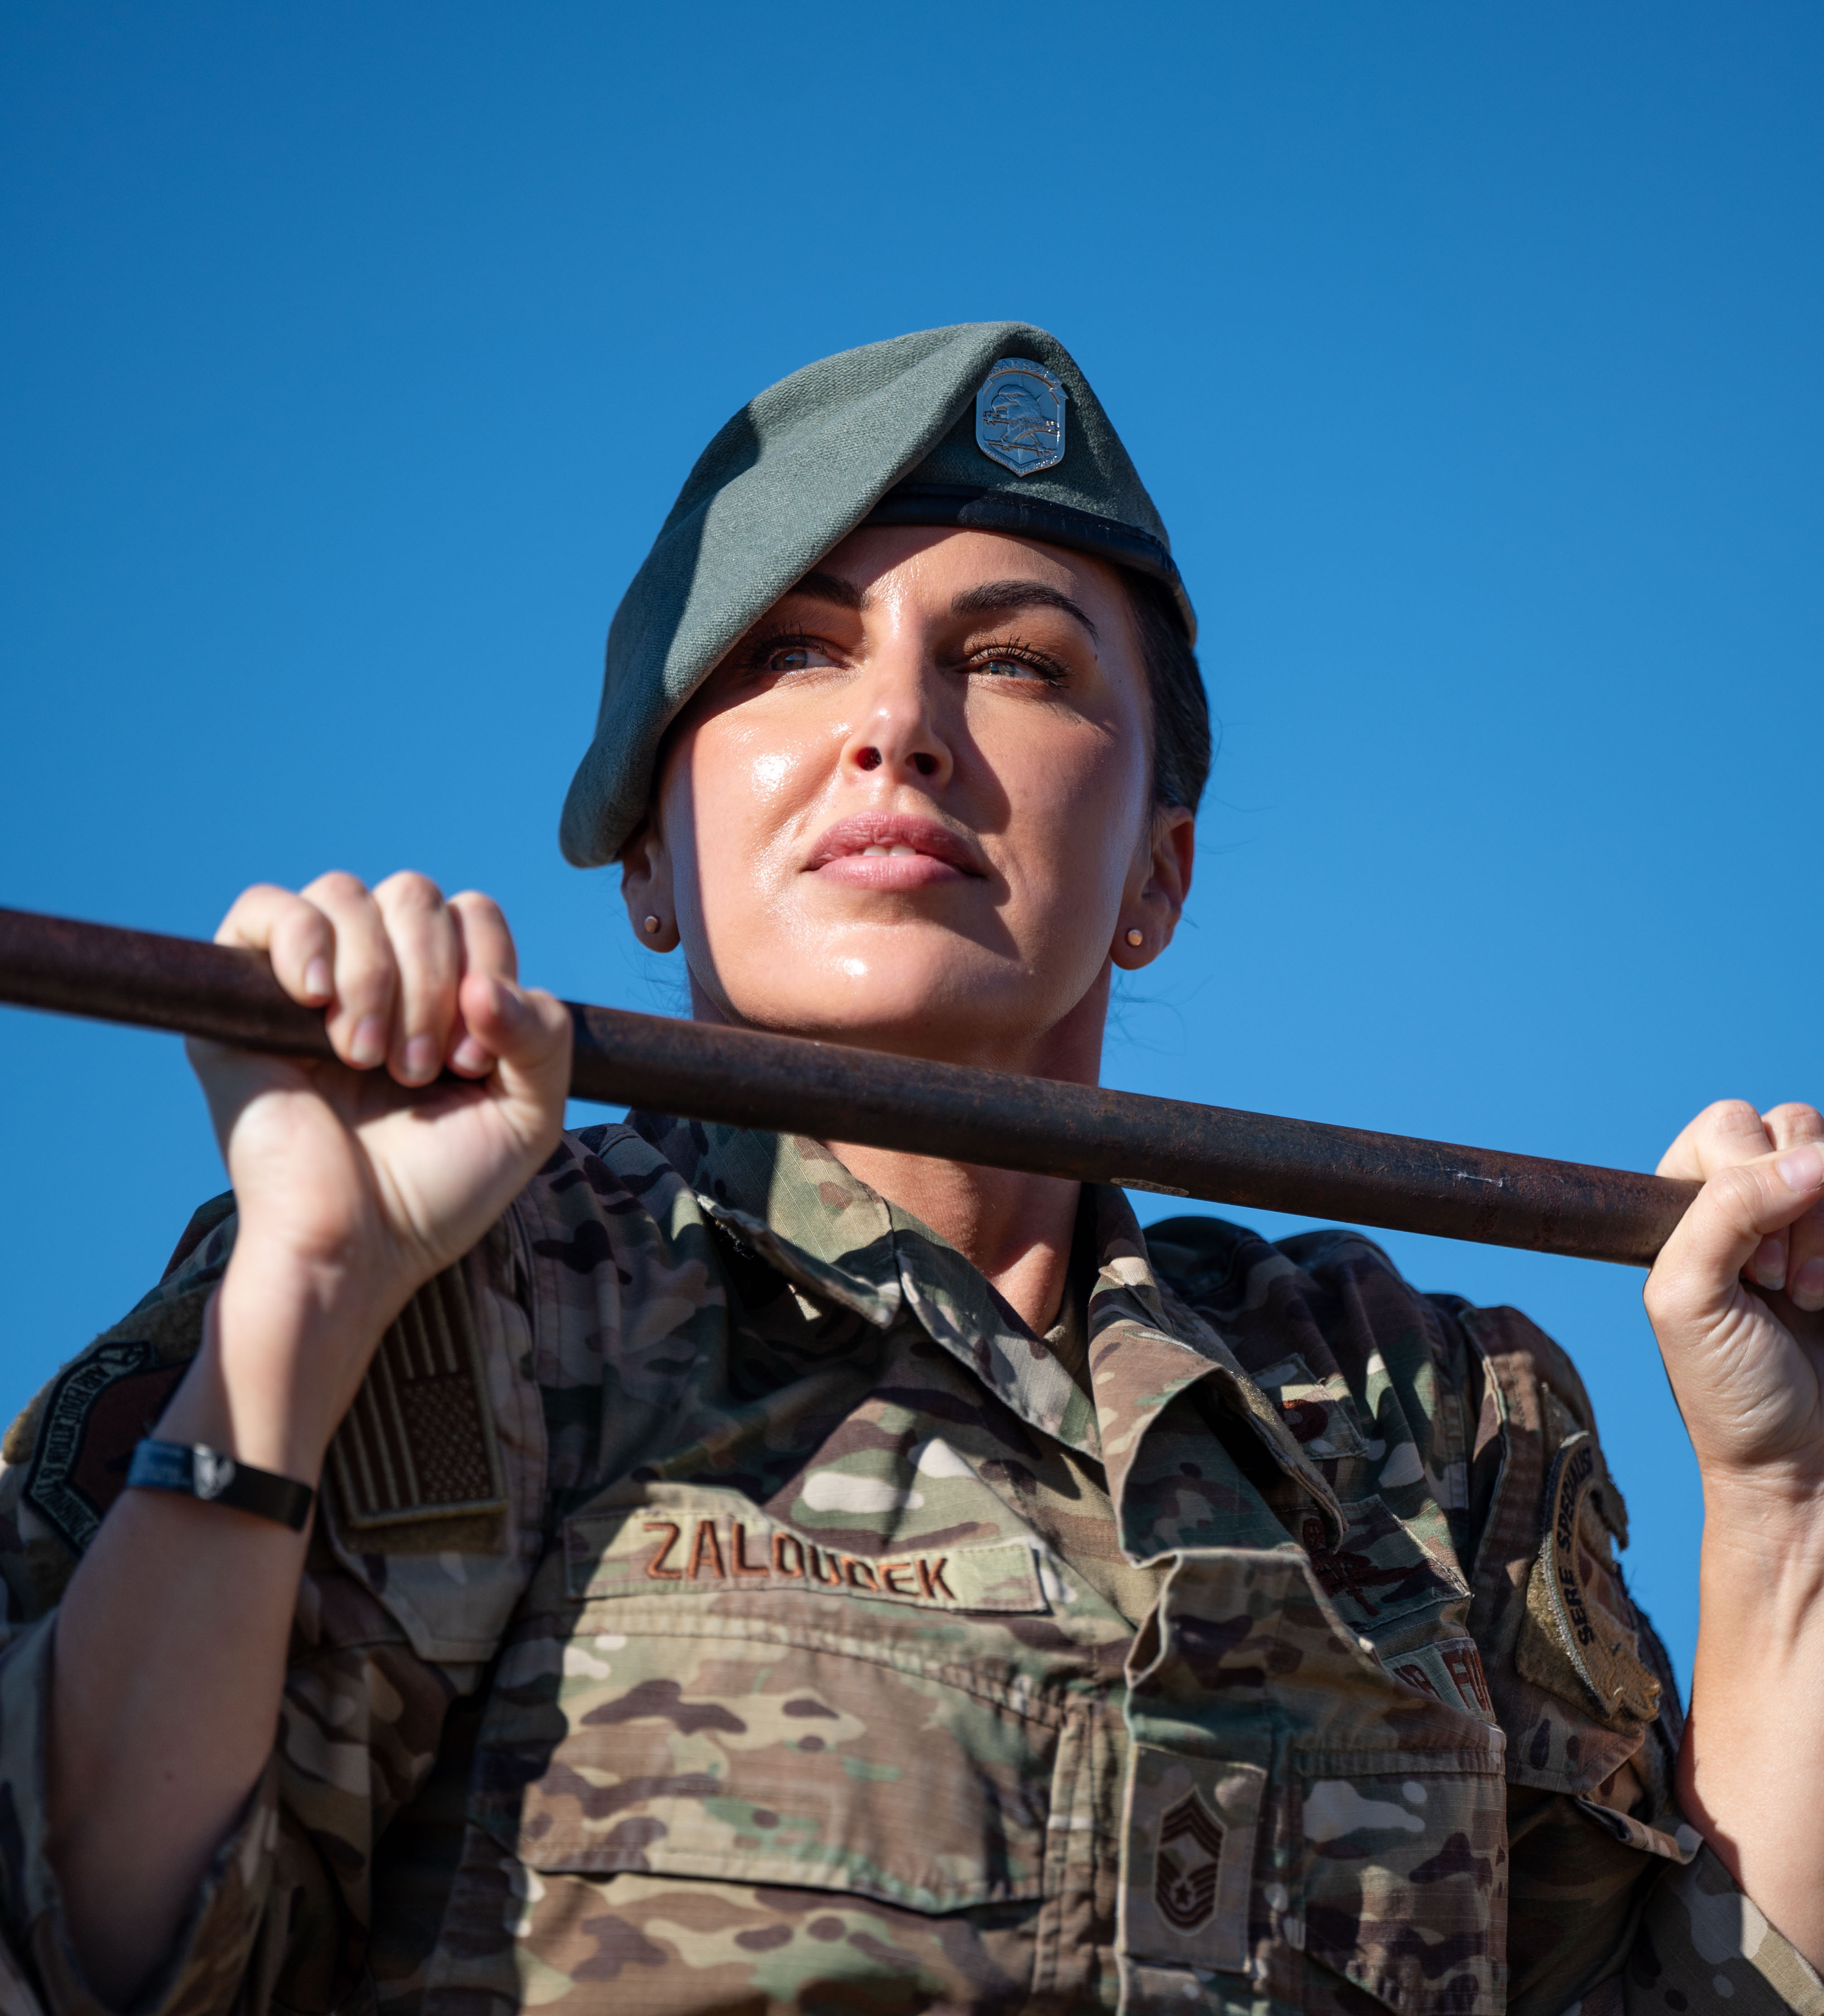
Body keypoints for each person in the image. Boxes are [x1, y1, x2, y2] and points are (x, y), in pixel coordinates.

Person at [0, 323, 1817, 2016]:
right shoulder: (470, 1289)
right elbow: (89, 1943)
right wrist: (306, 1304)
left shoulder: (1415, 1410)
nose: (900, 724)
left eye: (1017, 660)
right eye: (792, 652)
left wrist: (1787, 1501)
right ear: (649, 859)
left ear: (1158, 877)